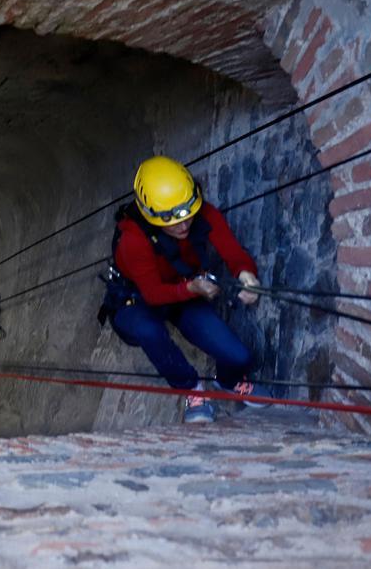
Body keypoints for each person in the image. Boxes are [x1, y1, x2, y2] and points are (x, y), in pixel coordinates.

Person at [98, 155, 264, 424]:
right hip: (138, 298)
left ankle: (229, 381)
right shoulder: (133, 241)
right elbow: (153, 293)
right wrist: (192, 288)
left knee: (239, 356)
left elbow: (232, 251)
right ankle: (191, 388)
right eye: (172, 220)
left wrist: (246, 275)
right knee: (148, 330)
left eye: (188, 213)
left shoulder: (202, 213)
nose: (184, 225)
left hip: (183, 289)